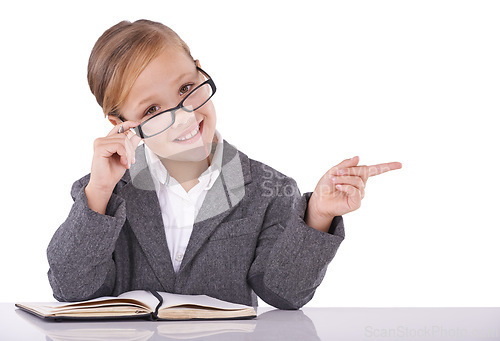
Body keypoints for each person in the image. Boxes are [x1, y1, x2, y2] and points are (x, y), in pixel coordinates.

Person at [46, 19, 403, 309]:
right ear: (121, 124)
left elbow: (285, 294)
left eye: (186, 87)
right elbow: (70, 289)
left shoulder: (269, 188)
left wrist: (318, 216)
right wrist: (100, 191)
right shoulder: (105, 193)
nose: (183, 116)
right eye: (151, 110)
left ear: (200, 71)